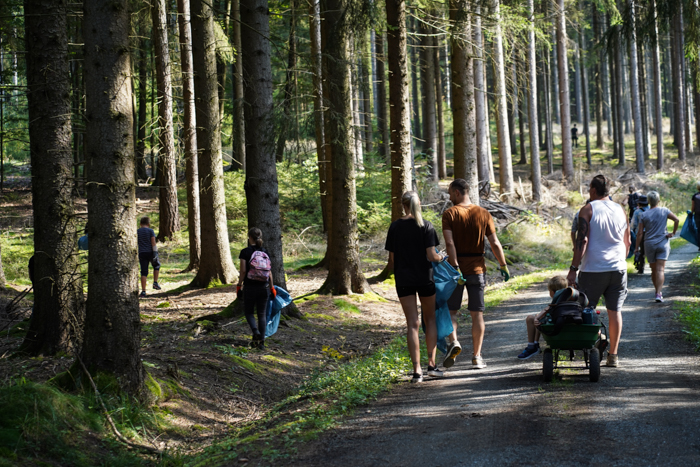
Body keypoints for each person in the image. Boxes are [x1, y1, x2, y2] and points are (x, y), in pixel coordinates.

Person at [442, 179, 509, 370]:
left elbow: (450, 244)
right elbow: (495, 243)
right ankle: (477, 357)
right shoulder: (484, 213)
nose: (448, 197)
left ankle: (454, 342)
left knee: (452, 311)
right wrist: (503, 265)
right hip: (478, 269)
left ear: (456, 192)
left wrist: (455, 267)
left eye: (449, 193)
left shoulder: (450, 214)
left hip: (456, 271)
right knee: (477, 314)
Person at [567, 175, 629, 368]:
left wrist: (573, 269)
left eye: (589, 189)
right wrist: (619, 259)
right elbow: (627, 241)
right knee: (615, 311)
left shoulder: (587, 209)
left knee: (586, 309)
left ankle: (591, 349)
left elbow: (581, 241)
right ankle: (613, 355)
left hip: (593, 268)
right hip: (618, 268)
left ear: (593, 190)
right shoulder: (620, 210)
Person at [385, 192, 446, 383]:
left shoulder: (394, 227)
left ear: (402, 205)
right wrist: (442, 257)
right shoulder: (426, 225)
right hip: (425, 278)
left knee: (412, 324)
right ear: (419, 203)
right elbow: (431, 255)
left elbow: (392, 260)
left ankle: (416, 371)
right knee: (430, 320)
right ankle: (431, 365)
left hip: (403, 280)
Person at [635, 191, 679, 303]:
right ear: (658, 201)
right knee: (660, 269)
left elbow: (640, 233)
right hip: (663, 243)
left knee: (653, 270)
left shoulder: (644, 215)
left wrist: (636, 248)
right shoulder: (664, 211)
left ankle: (657, 291)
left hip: (649, 244)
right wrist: (673, 233)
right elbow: (676, 220)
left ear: (649, 201)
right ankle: (659, 293)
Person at [238, 227, 275, 350]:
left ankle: (255, 332)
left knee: (249, 312)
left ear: (249, 237)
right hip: (264, 288)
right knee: (262, 314)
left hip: (249, 287)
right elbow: (269, 273)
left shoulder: (245, 252)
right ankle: (262, 343)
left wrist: (239, 285)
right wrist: (272, 288)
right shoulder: (265, 252)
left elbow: (243, 271)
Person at [517, 276, 568, 359]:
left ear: (553, 292)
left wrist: (537, 318)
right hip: (567, 327)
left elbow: (547, 309)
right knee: (532, 318)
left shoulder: (558, 302)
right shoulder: (570, 298)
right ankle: (534, 345)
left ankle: (533, 346)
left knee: (534, 318)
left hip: (556, 328)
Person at [137, 217, 160, 297]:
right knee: (156, 265)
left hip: (141, 252)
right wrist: (155, 252)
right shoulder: (150, 231)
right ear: (148, 224)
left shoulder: (137, 231)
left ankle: (143, 291)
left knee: (144, 271)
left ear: (140, 224)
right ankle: (155, 282)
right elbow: (153, 242)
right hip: (150, 252)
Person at [691, 182, 700, 250]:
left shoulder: (695, 196)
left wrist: (691, 213)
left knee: (699, 230)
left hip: (697, 215)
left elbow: (693, 207)